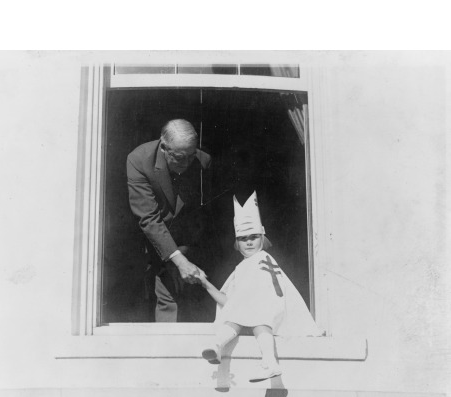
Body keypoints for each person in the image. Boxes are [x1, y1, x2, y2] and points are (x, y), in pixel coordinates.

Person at [198, 191, 322, 382]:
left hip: (270, 308)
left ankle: (269, 362)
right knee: (234, 317)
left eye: (254, 237)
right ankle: (218, 345)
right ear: (237, 243)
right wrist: (205, 283)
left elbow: (266, 292)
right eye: (243, 238)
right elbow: (230, 303)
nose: (248, 242)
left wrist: (245, 305)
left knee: (259, 320)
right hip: (255, 310)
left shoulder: (263, 259)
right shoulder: (242, 267)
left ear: (262, 238)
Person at [127, 119, 213, 322]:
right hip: (153, 241)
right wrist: (177, 260)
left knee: (194, 303)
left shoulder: (202, 161)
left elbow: (200, 214)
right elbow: (149, 218)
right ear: (164, 147)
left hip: (188, 244)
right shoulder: (139, 160)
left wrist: (184, 252)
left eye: (191, 156)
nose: (187, 163)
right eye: (180, 157)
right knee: (162, 301)